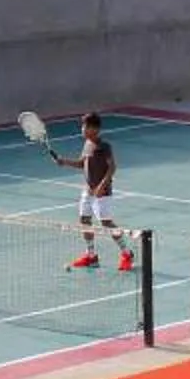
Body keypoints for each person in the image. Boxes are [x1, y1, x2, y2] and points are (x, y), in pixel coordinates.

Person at [47, 111, 136, 272]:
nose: (82, 129)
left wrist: (102, 185)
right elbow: (82, 164)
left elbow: (112, 167)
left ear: (95, 129)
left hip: (102, 193)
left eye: (85, 126)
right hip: (87, 191)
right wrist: (64, 161)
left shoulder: (104, 146)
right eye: (82, 126)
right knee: (84, 220)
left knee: (106, 223)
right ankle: (91, 255)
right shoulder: (87, 144)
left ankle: (127, 253)